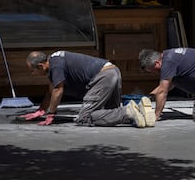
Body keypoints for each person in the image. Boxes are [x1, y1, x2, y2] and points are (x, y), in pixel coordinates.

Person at [19, 50, 155, 128]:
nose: (33, 74)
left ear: (41, 66)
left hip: (103, 76)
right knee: (109, 113)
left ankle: (128, 111)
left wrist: (51, 114)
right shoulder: (56, 61)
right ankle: (139, 112)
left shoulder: (55, 66)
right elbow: (51, 91)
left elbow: (57, 91)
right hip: (113, 71)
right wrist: (41, 110)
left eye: (32, 71)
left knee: (85, 117)